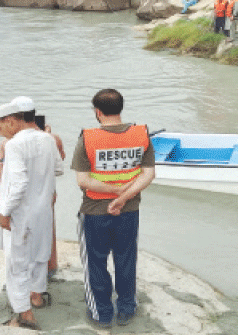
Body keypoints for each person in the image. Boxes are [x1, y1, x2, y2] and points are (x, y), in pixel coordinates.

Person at [72, 89, 155, 329]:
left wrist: (114, 192)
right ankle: (126, 309)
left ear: (97, 112)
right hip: (129, 211)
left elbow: (83, 180)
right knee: (126, 259)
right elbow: (148, 174)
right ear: (121, 108)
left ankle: (102, 314)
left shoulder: (88, 138)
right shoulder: (141, 135)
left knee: (95, 263)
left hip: (94, 211)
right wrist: (124, 195)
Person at [0, 97, 63, 331]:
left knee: (17, 264)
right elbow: (58, 169)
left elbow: (19, 184)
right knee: (40, 257)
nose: (0, 133)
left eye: (0, 126)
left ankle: (25, 314)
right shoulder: (48, 139)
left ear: (12, 120)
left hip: (21, 214)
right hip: (43, 211)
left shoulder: (14, 145)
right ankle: (36, 297)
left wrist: (4, 212)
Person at [34, 113, 66, 279]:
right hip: (48, 188)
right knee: (49, 228)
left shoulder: (16, 140)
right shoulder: (53, 138)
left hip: (28, 191)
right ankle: (51, 266)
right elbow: (61, 158)